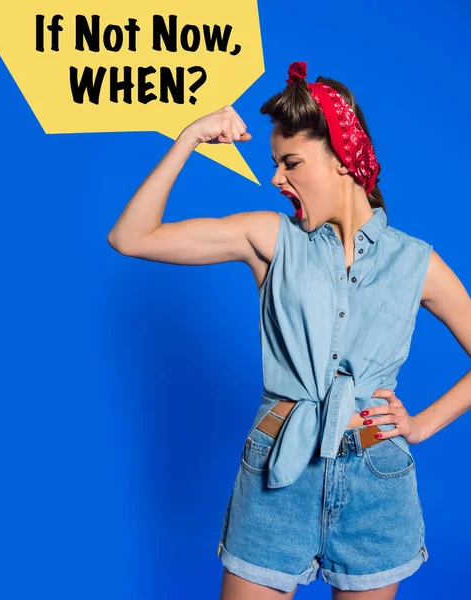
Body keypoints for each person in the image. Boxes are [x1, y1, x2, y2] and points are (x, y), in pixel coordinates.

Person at [107, 62, 471, 600]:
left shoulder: (416, 263)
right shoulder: (271, 240)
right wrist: (189, 137)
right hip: (275, 474)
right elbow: (132, 237)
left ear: (342, 159)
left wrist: (419, 426)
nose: (277, 178)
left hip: (376, 481)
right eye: (276, 163)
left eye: (291, 162)